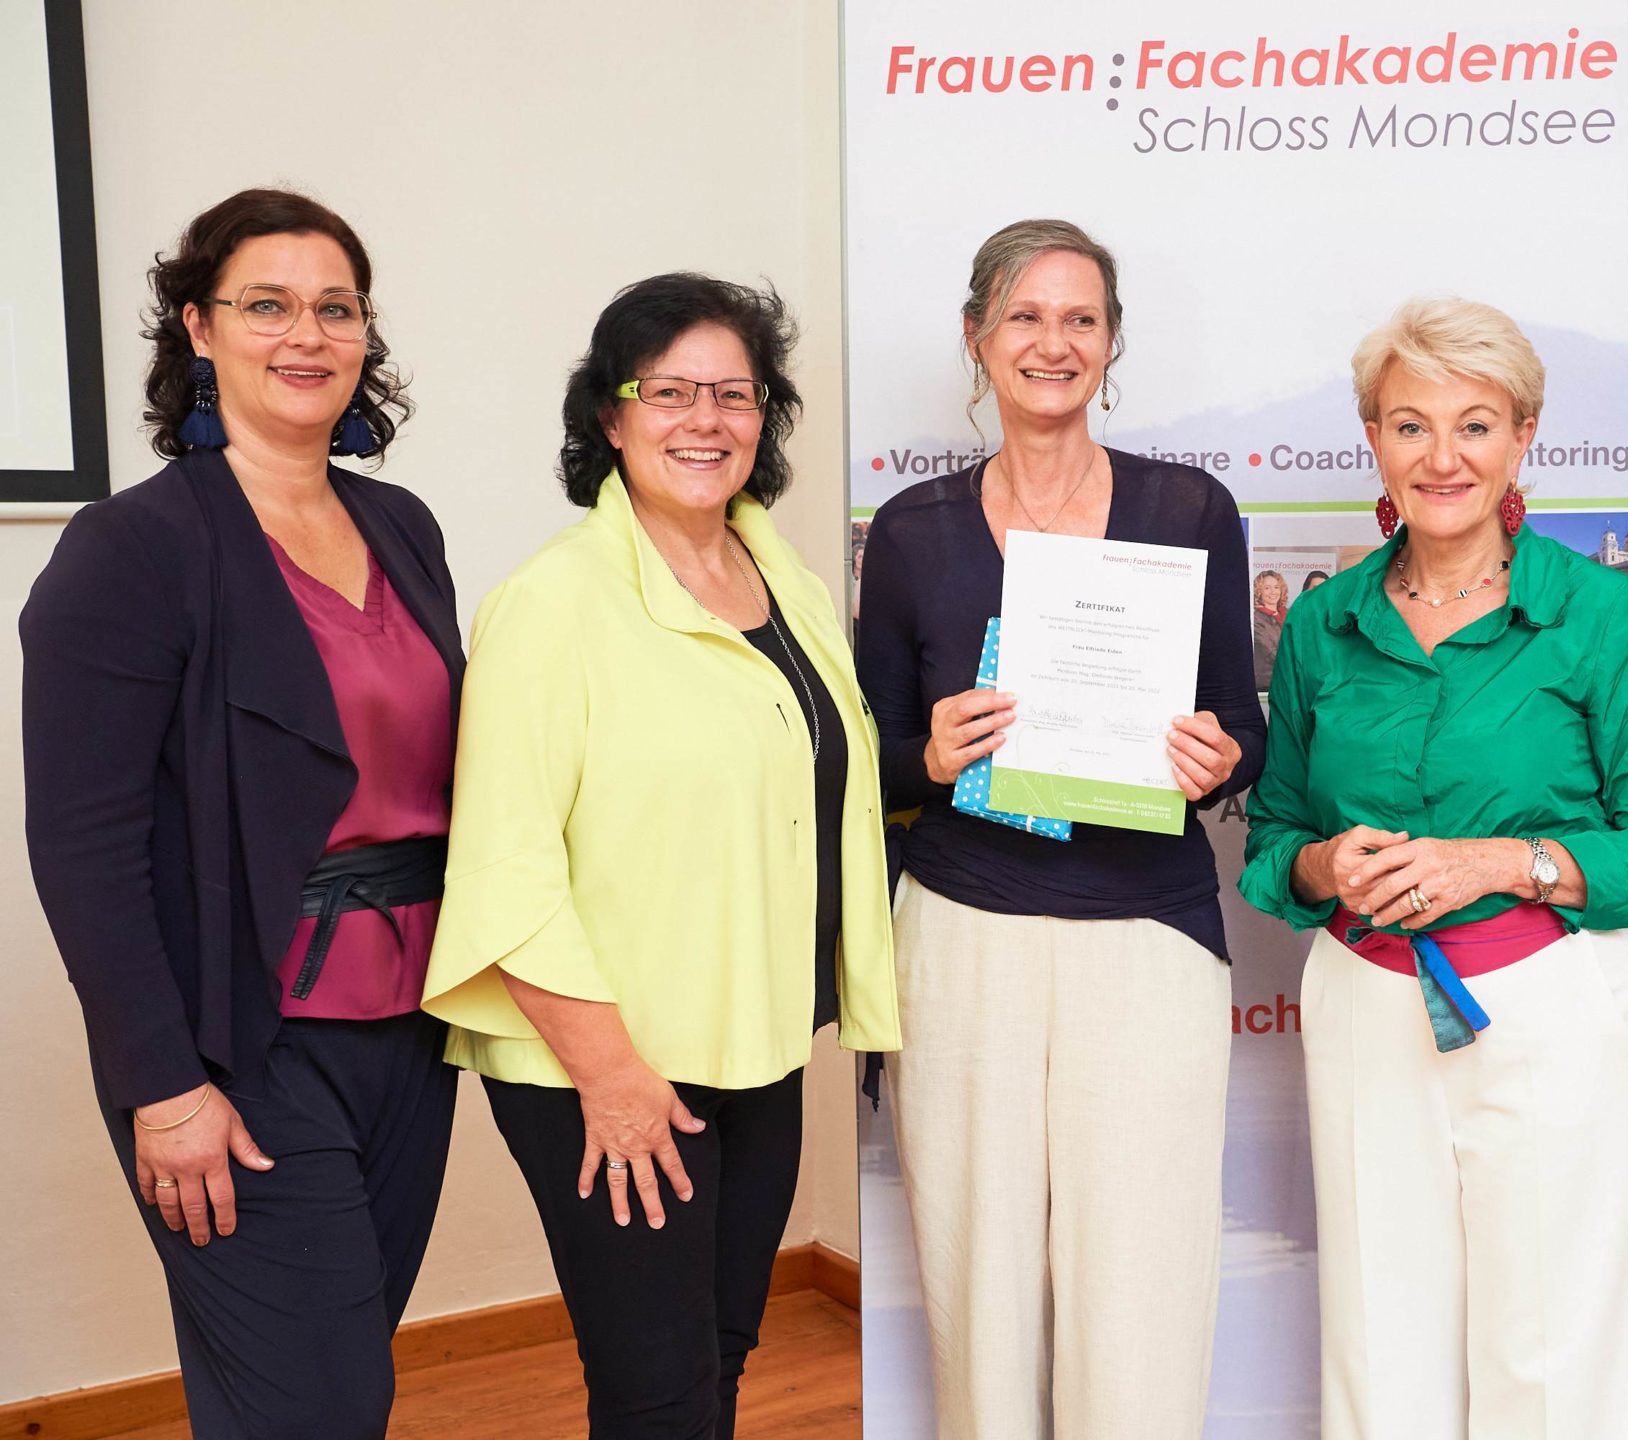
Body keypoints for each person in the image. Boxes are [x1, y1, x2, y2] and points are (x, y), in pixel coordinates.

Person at [422, 274, 901, 1439]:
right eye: (670, 391)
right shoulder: (553, 602)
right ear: (611, 413)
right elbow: (504, 867)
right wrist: (614, 1079)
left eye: (734, 394)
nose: (706, 420)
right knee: (657, 1389)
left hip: (754, 1038)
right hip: (610, 1063)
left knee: (720, 1355)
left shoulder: (781, 577)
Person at [21, 188, 456, 1438]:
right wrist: (163, 1088)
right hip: (236, 1047)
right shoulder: (131, 548)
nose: (306, 334)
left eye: (336, 308)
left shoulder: (400, 525)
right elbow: (84, 849)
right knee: (318, 1406)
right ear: (200, 329)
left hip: (412, 1033)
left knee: (324, 1384)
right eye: (267, 305)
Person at [1239, 297, 1628, 1440]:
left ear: (1523, 436)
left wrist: (1505, 861)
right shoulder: (1324, 627)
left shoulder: (1601, 614)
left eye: (1475, 425)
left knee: (1554, 1351)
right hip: (1366, 1002)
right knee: (1379, 1333)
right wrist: (1322, 865)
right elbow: (1272, 841)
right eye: (1411, 425)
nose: (1441, 457)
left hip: (1552, 1001)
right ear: (1374, 440)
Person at [854, 218, 1265, 1439]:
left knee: (1139, 1281)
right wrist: (929, 757)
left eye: (1081, 318)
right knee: (977, 1281)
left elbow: (1244, 726)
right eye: (1026, 316)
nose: (1053, 342)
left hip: (1147, 939)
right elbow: (870, 756)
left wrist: (1222, 757)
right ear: (977, 336)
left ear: (1112, 341)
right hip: (962, 936)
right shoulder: (913, 531)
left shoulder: (1190, 508)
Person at [1252, 567, 1288, 688]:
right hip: (1268, 683)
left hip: (1289, 679)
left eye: (1276, 587)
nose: (1273, 592)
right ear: (1259, 591)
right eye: (1267, 588)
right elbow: (1271, 652)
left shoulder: (1289, 615)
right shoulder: (1255, 619)